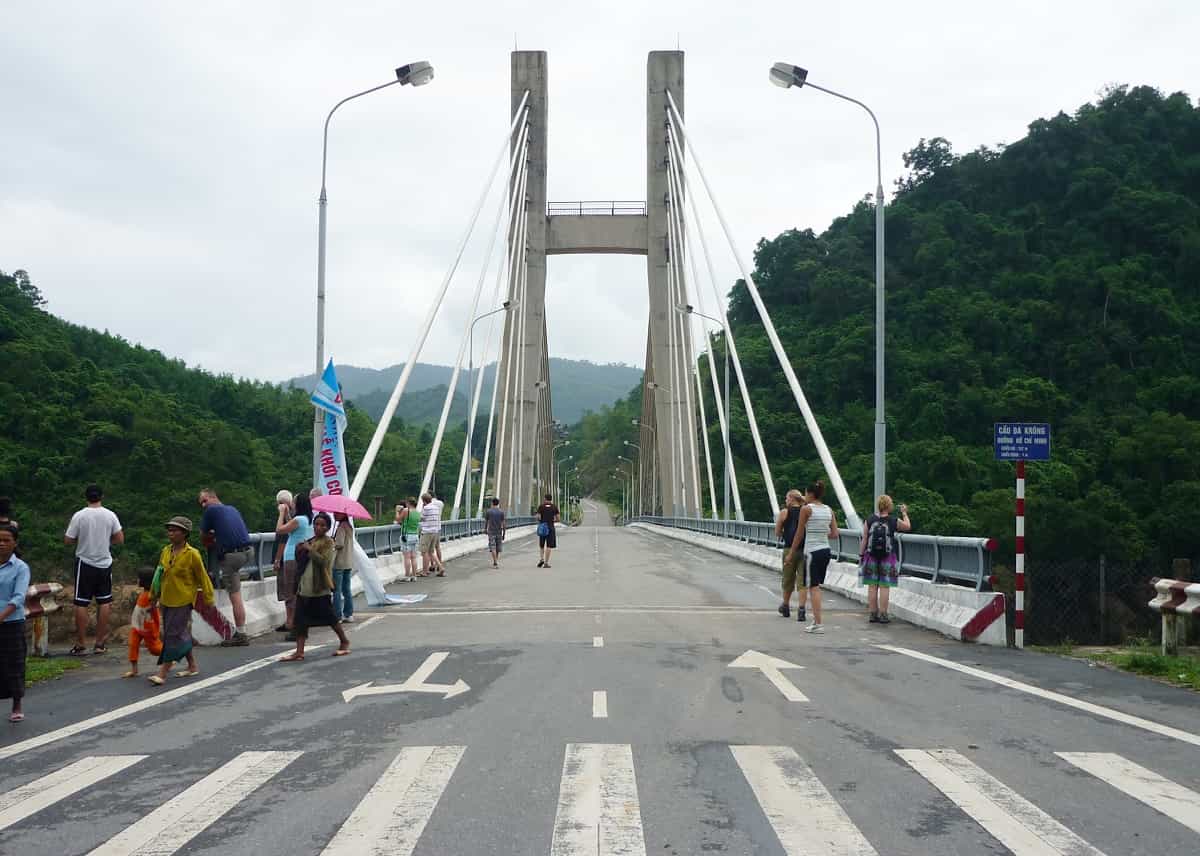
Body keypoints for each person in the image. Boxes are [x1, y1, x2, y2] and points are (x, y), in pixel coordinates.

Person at [150, 516, 213, 686]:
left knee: (172, 635)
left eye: (175, 530)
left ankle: (163, 673)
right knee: (178, 633)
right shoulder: (166, 551)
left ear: (184, 534)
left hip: (183, 599)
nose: (170, 533)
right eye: (169, 530)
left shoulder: (192, 554)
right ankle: (192, 665)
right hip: (167, 599)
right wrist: (153, 596)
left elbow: (203, 577)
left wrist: (208, 598)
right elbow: (159, 574)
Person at [281, 513, 351, 661]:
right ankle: (299, 651)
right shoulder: (311, 540)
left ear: (327, 528)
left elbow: (324, 562)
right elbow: (301, 561)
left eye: (322, 525)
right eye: (316, 524)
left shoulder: (328, 543)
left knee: (330, 617)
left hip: (319, 587)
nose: (318, 527)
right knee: (300, 621)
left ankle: (344, 641)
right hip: (304, 586)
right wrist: (301, 549)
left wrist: (309, 549)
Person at [64, 484, 123, 656]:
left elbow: (68, 540)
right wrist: (106, 541)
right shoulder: (110, 515)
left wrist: (82, 539)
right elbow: (120, 538)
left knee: (81, 602)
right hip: (105, 562)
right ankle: (99, 643)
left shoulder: (80, 516)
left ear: (86, 497)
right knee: (104, 601)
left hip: (85, 562)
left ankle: (81, 644)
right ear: (101, 497)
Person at [197, 488, 252, 646]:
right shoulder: (231, 508)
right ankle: (241, 632)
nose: (203, 505)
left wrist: (210, 541)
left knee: (235, 596)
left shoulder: (211, 511)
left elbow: (203, 535)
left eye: (205, 500)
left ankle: (241, 634)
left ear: (213, 497)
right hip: (249, 552)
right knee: (236, 589)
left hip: (232, 556)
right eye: (201, 503)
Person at [789, 479, 838, 634]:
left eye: (805, 493)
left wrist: (791, 553)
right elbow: (835, 534)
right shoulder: (829, 510)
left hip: (811, 552)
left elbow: (799, 533)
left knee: (813, 587)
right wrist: (821, 533)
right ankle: (816, 622)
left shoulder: (806, 509)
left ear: (810, 494)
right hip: (825, 550)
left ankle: (818, 624)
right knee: (816, 586)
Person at [860, 495, 911, 624]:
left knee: (872, 585)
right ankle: (883, 615)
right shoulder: (893, 520)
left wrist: (861, 555)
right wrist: (904, 513)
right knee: (884, 586)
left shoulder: (870, 519)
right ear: (889, 506)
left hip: (871, 555)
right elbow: (907, 526)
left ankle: (873, 614)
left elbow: (865, 538)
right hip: (888, 557)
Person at [0, 525, 30, 722]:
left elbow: (18, 597)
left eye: (6, 540)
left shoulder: (20, 567)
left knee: (14, 664)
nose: (1, 544)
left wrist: (2, 616)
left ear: (15, 543)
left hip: (11, 622)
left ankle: (17, 704)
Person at [275, 493, 314, 639]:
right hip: (300, 556)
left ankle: (296, 627)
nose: (292, 504)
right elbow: (292, 527)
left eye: (294, 502)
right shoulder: (306, 520)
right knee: (296, 591)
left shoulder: (299, 519)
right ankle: (293, 624)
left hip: (292, 557)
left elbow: (280, 530)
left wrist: (281, 514)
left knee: (290, 592)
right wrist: (287, 516)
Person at [774, 490, 807, 621]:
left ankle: (786, 605)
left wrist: (786, 534)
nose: (785, 500)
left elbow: (777, 532)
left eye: (787, 498)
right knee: (803, 581)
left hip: (789, 549)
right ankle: (801, 609)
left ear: (792, 499)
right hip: (805, 549)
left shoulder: (784, 512)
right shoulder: (807, 511)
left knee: (788, 579)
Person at [123, 570, 162, 678]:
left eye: (139, 578)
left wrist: (155, 626)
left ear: (145, 581)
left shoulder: (150, 596)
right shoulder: (144, 593)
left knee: (154, 649)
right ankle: (134, 670)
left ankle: (169, 657)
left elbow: (155, 611)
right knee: (133, 645)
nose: (137, 580)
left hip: (147, 627)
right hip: (137, 626)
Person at [331, 512, 355, 622]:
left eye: (337, 513)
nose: (335, 515)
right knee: (347, 590)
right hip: (348, 561)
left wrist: (332, 542)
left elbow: (339, 544)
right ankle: (349, 614)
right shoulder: (349, 526)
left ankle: (337, 615)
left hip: (339, 563)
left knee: (337, 590)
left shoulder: (341, 527)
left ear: (342, 514)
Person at [418, 492, 444, 577]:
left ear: (423, 501)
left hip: (427, 532)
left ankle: (425, 571)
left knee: (424, 552)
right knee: (431, 552)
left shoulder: (426, 508)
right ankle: (440, 567)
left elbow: (421, 518)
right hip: (435, 531)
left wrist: (422, 508)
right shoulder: (436, 508)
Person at [396, 498, 420, 581]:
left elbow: (398, 519)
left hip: (406, 536)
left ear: (409, 503)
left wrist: (397, 511)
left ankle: (407, 576)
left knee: (407, 557)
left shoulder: (406, 510)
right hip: (415, 536)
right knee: (414, 557)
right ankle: (414, 575)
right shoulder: (418, 512)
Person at [536, 494, 560, 568]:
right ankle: (546, 563)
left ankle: (541, 559)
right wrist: (553, 520)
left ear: (545, 499)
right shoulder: (554, 507)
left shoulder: (541, 507)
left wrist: (541, 520)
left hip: (543, 527)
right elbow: (558, 518)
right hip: (550, 528)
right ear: (551, 499)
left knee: (541, 545)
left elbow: (538, 517)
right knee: (549, 546)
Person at [485, 498, 506, 568]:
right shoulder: (501, 512)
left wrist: (485, 529)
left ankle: (495, 562)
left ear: (492, 503)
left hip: (491, 532)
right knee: (497, 548)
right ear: (498, 503)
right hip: (499, 532)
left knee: (493, 547)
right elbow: (503, 524)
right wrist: (504, 534)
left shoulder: (489, 511)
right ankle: (495, 561)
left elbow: (487, 522)